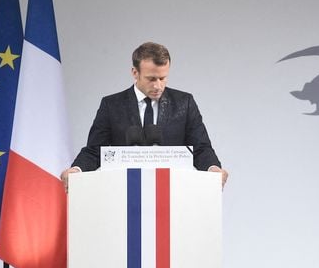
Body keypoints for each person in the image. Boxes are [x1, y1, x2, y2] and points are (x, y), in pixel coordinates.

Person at [60, 42, 228, 190]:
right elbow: (95, 151)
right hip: (124, 193)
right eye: (151, 78)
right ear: (135, 73)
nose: (158, 85)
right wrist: (76, 170)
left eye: (163, 78)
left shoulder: (185, 103)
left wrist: (213, 169)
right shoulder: (111, 105)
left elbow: (201, 148)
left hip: (173, 194)